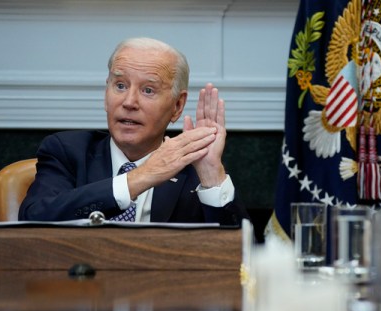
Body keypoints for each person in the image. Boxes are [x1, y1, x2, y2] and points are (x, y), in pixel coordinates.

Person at [19, 37, 247, 225]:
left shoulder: (193, 168)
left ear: (177, 106)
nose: (129, 102)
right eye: (120, 86)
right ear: (105, 93)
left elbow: (242, 258)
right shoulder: (67, 151)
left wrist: (211, 178)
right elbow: (34, 218)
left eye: (148, 90)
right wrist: (139, 178)